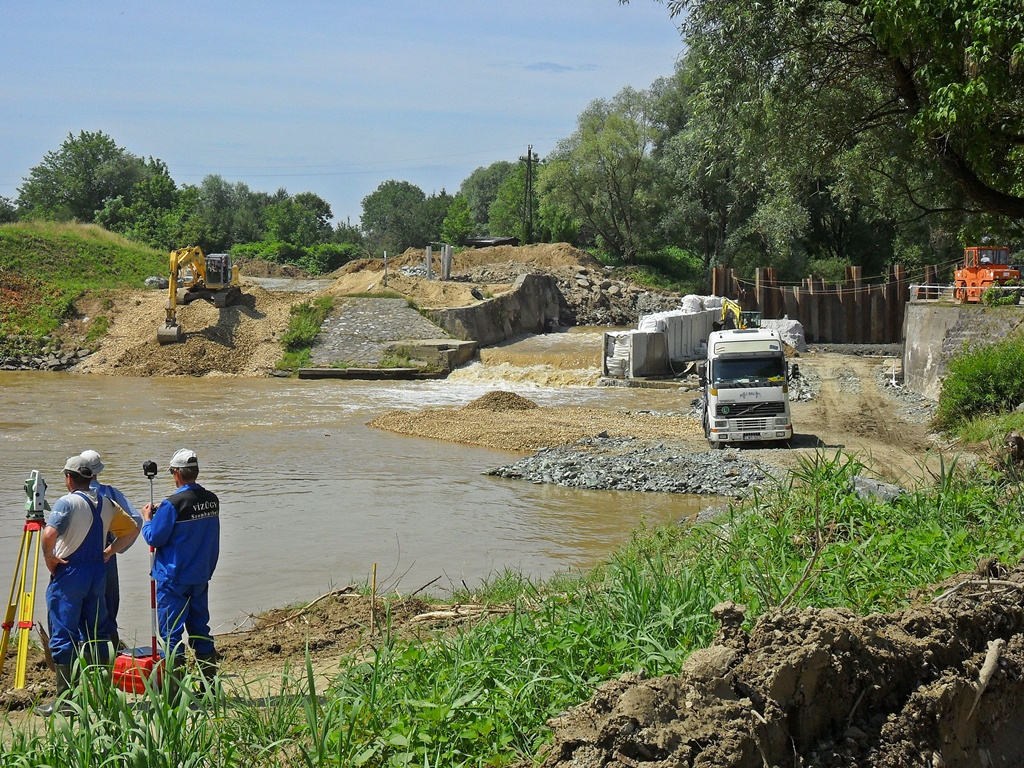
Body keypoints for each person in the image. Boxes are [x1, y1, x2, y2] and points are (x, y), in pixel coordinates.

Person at [37, 456, 141, 717]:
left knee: (63, 635)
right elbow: (131, 528)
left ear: (69, 478)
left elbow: (49, 535)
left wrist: (49, 557)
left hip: (71, 572)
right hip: (98, 572)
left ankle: (66, 703)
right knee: (97, 632)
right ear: (91, 477)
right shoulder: (106, 501)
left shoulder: (67, 502)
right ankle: (103, 694)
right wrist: (111, 550)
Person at [141, 448, 220, 690]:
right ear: (195, 472)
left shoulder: (172, 504)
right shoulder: (211, 499)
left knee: (171, 636)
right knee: (200, 630)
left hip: (173, 579)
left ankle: (174, 693)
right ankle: (209, 688)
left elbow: (154, 537)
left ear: (176, 473)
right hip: (200, 574)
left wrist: (147, 518)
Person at [79, 449, 144, 652]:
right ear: (98, 471)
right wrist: (116, 547)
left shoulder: (72, 496)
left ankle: (87, 654)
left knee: (82, 606)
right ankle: (113, 655)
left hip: (79, 558)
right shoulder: (111, 493)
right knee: (108, 604)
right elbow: (137, 521)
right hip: (106, 556)